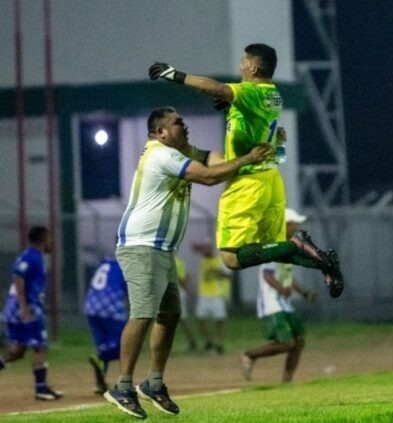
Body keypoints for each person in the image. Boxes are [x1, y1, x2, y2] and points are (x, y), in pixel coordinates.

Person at [104, 107, 272, 419]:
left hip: (161, 249)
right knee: (142, 314)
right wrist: (248, 159)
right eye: (177, 122)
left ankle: (153, 383)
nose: (185, 125)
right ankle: (122, 386)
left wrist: (243, 156)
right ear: (160, 132)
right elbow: (208, 177)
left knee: (170, 315)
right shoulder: (161, 154)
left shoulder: (179, 151)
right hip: (141, 246)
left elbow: (212, 159)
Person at [149, 44, 344, 298]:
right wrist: (232, 106)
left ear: (253, 67)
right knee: (271, 249)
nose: (240, 65)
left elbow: (218, 88)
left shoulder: (250, 93)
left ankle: (298, 244)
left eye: (243, 61)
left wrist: (175, 75)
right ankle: (324, 263)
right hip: (269, 179)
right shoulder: (273, 94)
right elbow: (260, 126)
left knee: (231, 258)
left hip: (247, 183)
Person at [0, 226, 63, 401]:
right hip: (27, 309)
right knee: (40, 346)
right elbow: (19, 277)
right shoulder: (31, 256)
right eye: (50, 238)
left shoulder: (31, 255)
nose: (52, 242)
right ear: (43, 239)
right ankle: (41, 388)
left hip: (15, 308)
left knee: (17, 351)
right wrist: (24, 307)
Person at [240, 208, 318, 383]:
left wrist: (304, 293)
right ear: (284, 225)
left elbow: (287, 276)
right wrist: (281, 289)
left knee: (299, 340)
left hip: (283, 302)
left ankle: (287, 382)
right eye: (294, 224)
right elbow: (267, 275)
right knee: (286, 343)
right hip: (271, 302)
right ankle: (249, 355)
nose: (297, 227)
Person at [84, 256, 128, 395]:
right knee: (124, 345)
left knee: (103, 345)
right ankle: (124, 383)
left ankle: (100, 383)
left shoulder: (104, 263)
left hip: (91, 306)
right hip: (111, 308)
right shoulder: (126, 266)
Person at [192, 240, 232, 354]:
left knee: (220, 319)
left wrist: (218, 273)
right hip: (203, 294)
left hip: (216, 294)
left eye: (208, 247)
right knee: (201, 319)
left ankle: (219, 343)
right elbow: (194, 247)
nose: (205, 249)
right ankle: (208, 341)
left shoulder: (219, 260)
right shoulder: (204, 260)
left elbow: (228, 276)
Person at [174, 255, 198, 352]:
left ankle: (192, 341)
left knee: (182, 319)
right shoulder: (176, 261)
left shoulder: (176, 262)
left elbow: (183, 279)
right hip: (168, 293)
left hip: (176, 293)